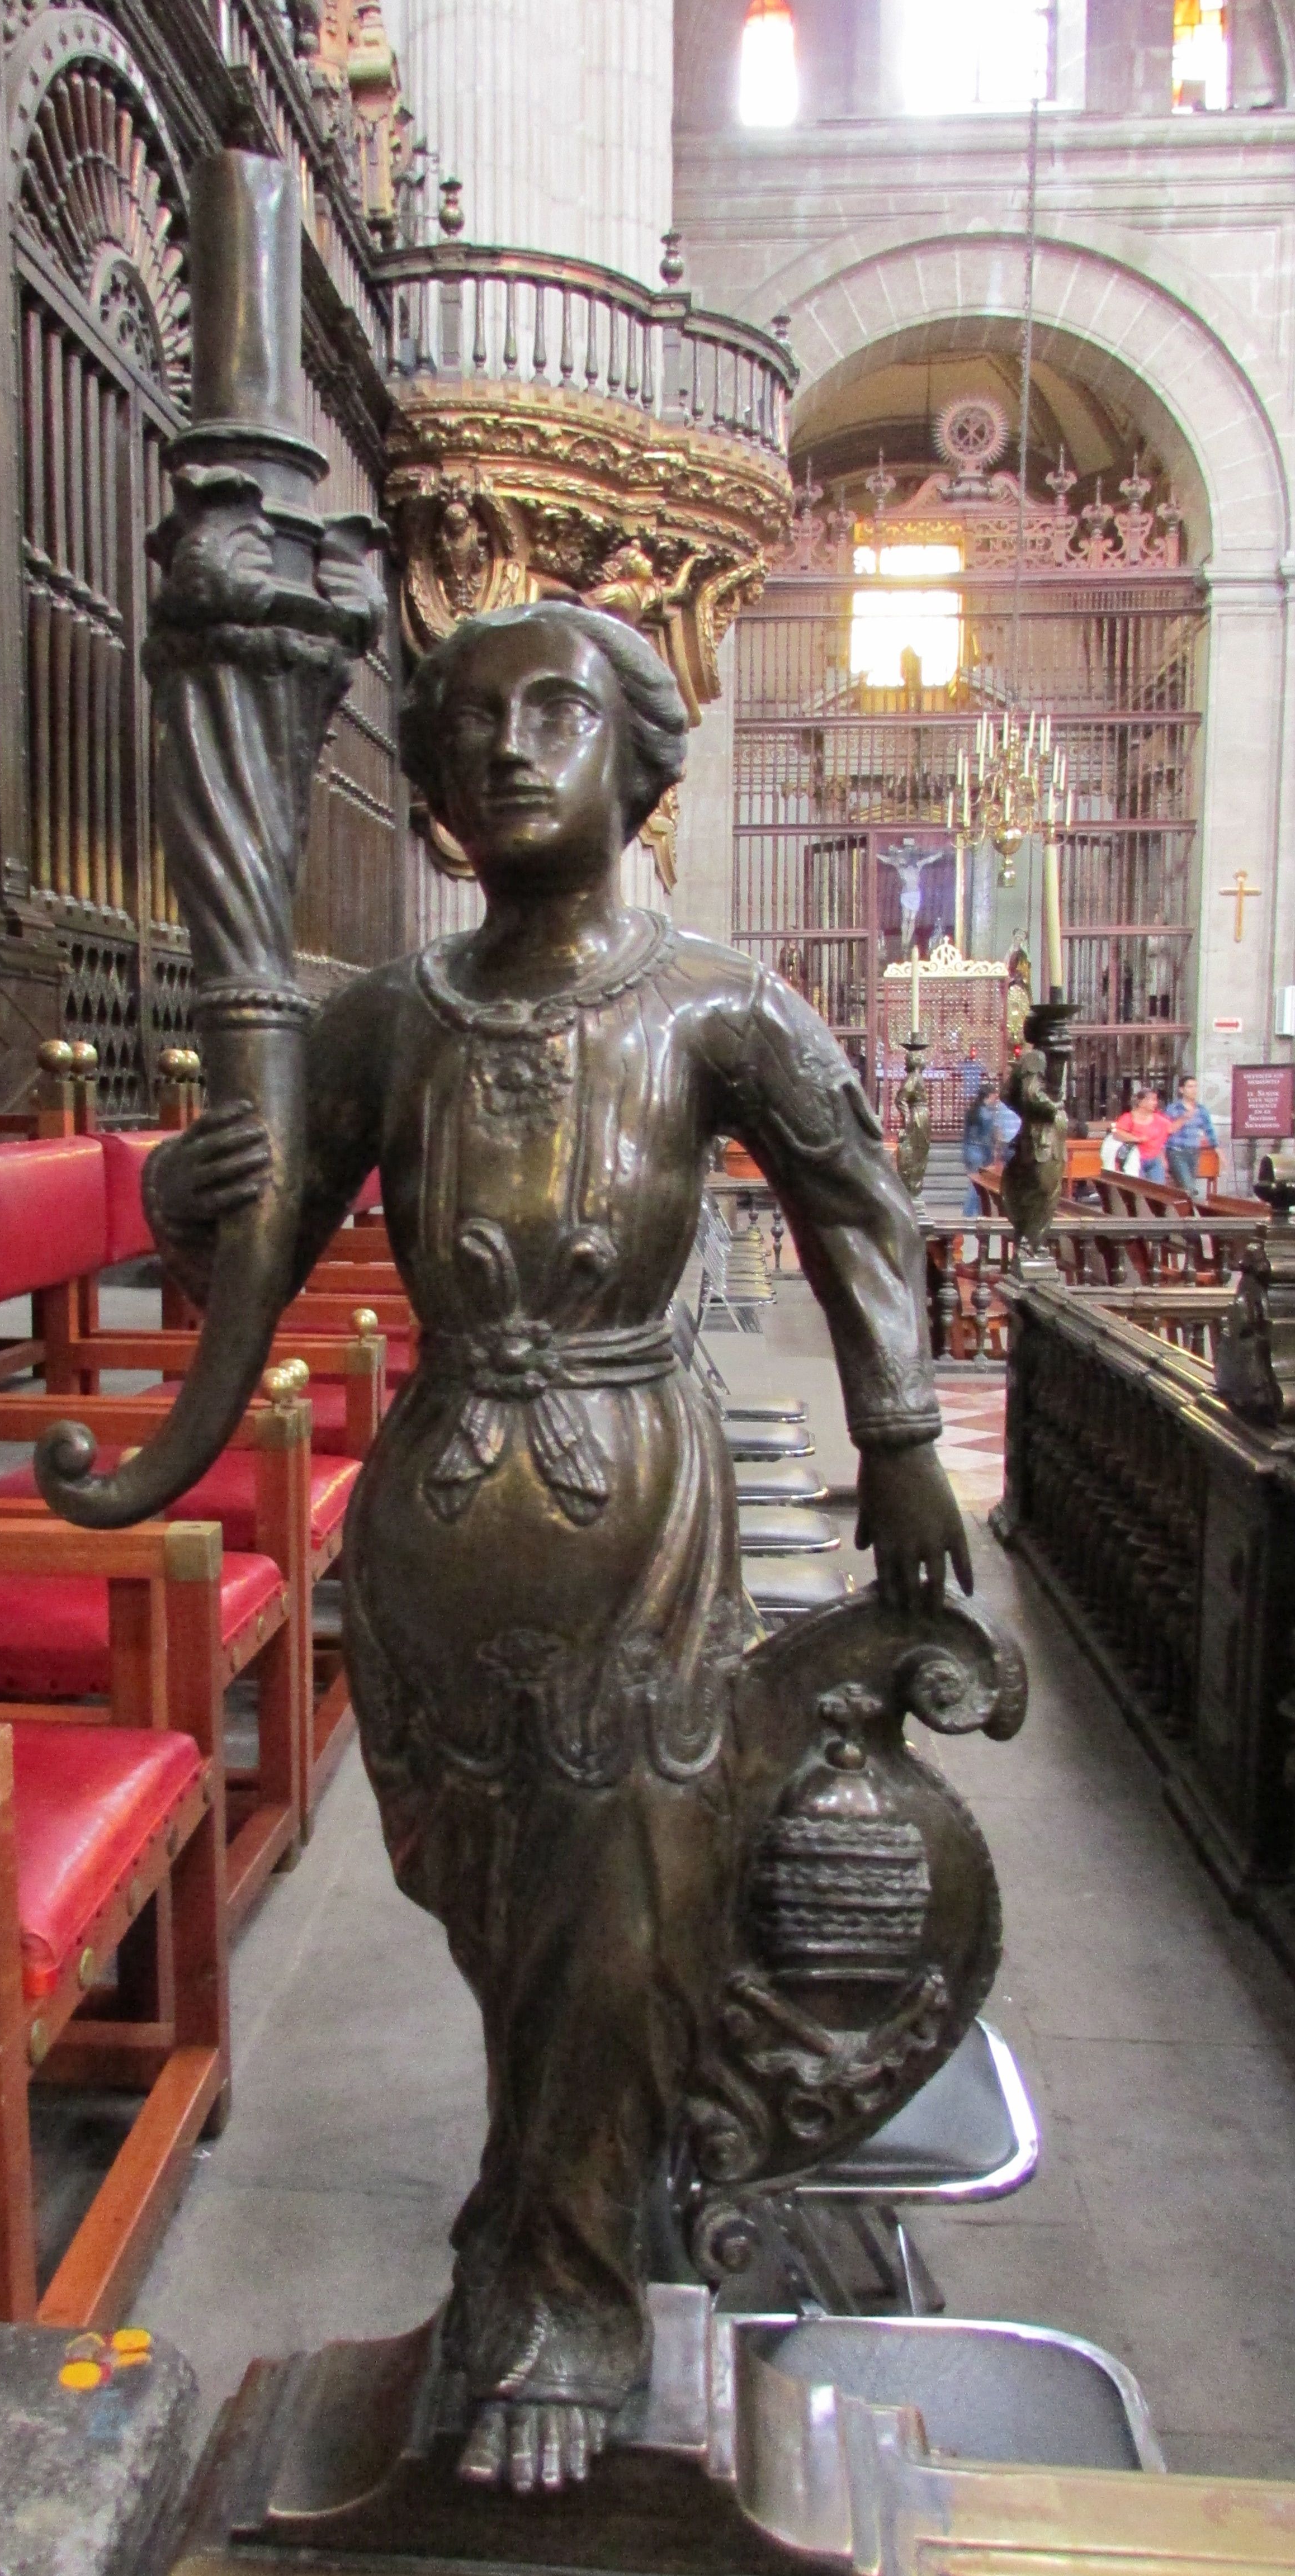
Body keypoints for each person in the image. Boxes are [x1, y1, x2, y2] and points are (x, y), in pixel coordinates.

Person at [144, 602, 969, 2496]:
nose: (510, 749)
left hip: (639, 1512)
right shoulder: (387, 1018)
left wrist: (904, 1434)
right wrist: (193, 1205)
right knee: (506, 1916)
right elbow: (254, 1275)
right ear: (433, 784)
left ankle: (571, 2302)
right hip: (441, 1528)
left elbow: (860, 1209)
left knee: (622, 1914)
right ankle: (545, 2202)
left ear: (642, 761)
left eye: (557, 714)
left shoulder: (717, 1003)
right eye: (470, 724)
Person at [962, 1076, 1020, 1215]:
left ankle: (976, 1212)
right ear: (989, 1096)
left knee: (975, 1183)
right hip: (980, 1152)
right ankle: (969, 1213)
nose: (996, 1099)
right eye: (995, 1096)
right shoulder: (986, 1115)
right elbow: (987, 1139)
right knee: (977, 1185)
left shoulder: (973, 1111)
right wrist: (993, 1154)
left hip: (969, 1150)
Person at [1165, 1073, 1218, 1196]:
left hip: (1194, 1151)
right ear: (1182, 1090)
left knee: (1186, 1187)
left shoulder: (1201, 1109)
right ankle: (1193, 1207)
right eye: (1190, 1087)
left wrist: (1217, 1148)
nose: (1194, 1090)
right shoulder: (1173, 1109)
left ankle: (1183, 1207)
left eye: (1195, 1087)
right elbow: (1167, 1130)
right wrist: (1184, 1118)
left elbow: (1209, 1130)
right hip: (1176, 1151)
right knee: (1188, 1187)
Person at [1113, 1086, 1172, 1182]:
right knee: (1140, 1187)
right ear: (1142, 1102)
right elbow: (1117, 1134)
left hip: (1155, 1159)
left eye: (1156, 1100)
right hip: (1135, 1159)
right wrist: (1137, 1139)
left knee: (1159, 1188)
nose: (1155, 1103)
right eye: (1152, 1100)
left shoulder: (1159, 1119)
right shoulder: (1129, 1118)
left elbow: (1168, 1132)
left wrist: (1163, 1158)